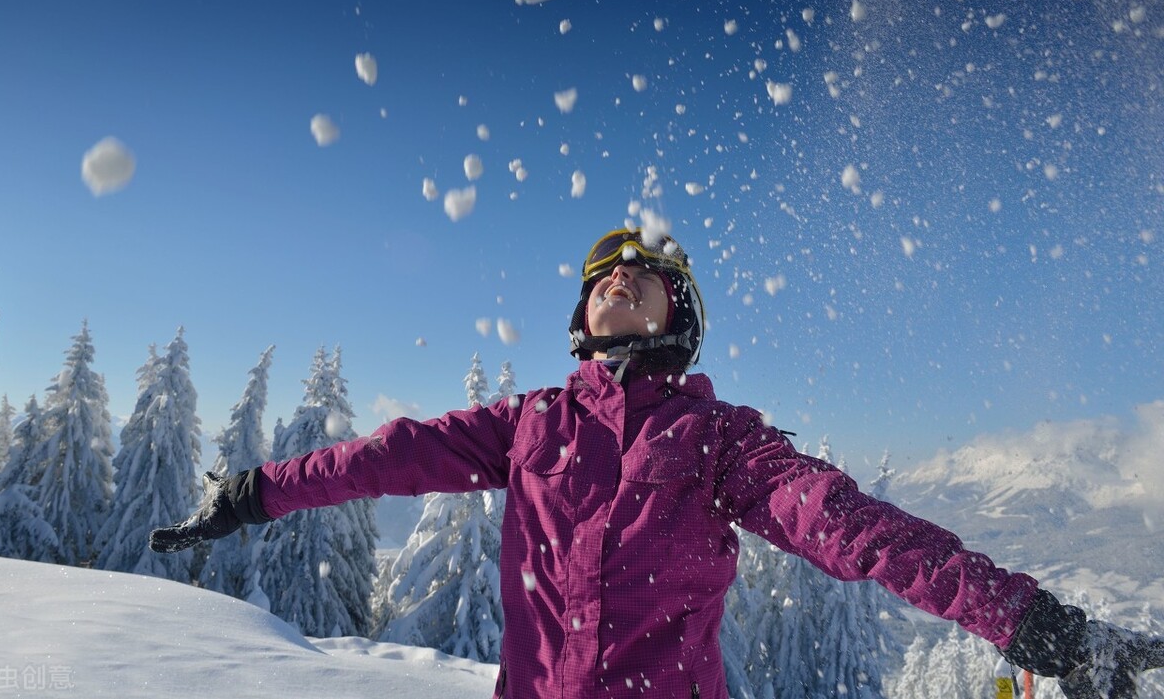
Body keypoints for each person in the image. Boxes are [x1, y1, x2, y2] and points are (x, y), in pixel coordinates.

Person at [151, 227, 1164, 699]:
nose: (621, 277)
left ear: (681, 317)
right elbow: (384, 458)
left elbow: (855, 529)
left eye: (646, 274)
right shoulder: (529, 423)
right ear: (581, 320)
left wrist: (1034, 621)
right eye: (603, 276)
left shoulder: (723, 441)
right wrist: (252, 494)